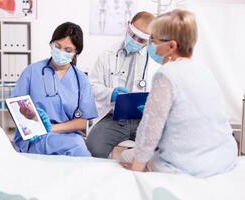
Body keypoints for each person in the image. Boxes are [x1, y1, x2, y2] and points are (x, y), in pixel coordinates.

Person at [120, 9, 238, 177]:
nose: (150, 45)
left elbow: (149, 132)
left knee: (126, 155)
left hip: (188, 164)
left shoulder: (166, 75)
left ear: (171, 46)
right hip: (224, 157)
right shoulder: (204, 71)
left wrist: (136, 170)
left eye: (154, 40)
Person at [12, 22, 98, 156]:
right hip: (34, 137)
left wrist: (51, 128)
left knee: (77, 144)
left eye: (68, 50)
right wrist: (35, 126)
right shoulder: (32, 71)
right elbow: (16, 107)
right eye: (57, 46)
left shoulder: (81, 80)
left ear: (76, 52)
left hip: (67, 136)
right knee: (78, 148)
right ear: (51, 43)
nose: (61, 52)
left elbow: (84, 121)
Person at [86, 11, 159, 158]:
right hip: (114, 118)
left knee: (163, 149)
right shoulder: (107, 55)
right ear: (128, 26)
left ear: (149, 41)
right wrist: (110, 93)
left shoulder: (155, 62)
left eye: (141, 40)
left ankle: (127, 156)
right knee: (94, 148)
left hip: (144, 120)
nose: (135, 41)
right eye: (133, 35)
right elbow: (91, 87)